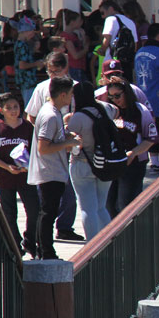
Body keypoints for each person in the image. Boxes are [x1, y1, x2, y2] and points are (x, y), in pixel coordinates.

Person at [27, 76, 81, 259]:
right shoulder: (50, 115)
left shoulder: (53, 112)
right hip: (49, 171)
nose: (72, 98)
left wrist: (66, 137)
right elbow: (43, 147)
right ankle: (46, 251)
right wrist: (69, 142)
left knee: (48, 211)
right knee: (48, 213)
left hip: (54, 171)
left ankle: (43, 249)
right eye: (71, 94)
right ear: (63, 94)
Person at [66, 81, 118, 239]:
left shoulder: (78, 117)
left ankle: (92, 245)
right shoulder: (105, 110)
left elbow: (67, 141)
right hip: (104, 164)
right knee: (101, 207)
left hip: (82, 164)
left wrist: (65, 121)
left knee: (88, 208)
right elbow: (116, 111)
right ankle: (107, 242)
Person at [103, 76, 158, 217]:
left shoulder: (140, 111)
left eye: (117, 96)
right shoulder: (109, 110)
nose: (115, 100)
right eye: (111, 97)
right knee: (109, 204)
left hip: (134, 163)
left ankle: (131, 237)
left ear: (126, 92)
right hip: (113, 162)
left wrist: (133, 153)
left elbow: (151, 138)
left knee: (125, 204)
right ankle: (114, 237)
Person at [0, 92, 39, 257]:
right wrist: (6, 166)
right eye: (9, 108)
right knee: (9, 214)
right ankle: (15, 246)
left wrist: (28, 166)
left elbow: (36, 151)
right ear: (1, 110)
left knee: (34, 210)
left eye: (16, 107)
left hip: (25, 176)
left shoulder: (28, 127)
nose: (14, 111)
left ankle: (30, 240)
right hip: (4, 177)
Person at [98, 0, 139, 78]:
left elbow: (107, 39)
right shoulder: (130, 22)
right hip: (126, 63)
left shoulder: (110, 19)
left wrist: (102, 50)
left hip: (112, 63)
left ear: (111, 9)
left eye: (102, 13)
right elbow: (135, 44)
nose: (102, 16)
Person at [13, 16, 43, 104]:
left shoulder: (20, 44)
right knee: (29, 105)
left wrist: (33, 50)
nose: (33, 34)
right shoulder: (22, 45)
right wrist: (36, 63)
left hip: (24, 81)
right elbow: (22, 65)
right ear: (25, 31)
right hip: (27, 81)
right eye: (32, 31)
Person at [54, 8, 89, 81]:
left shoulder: (75, 35)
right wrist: (86, 49)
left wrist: (83, 37)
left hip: (80, 66)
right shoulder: (66, 37)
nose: (81, 23)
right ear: (72, 22)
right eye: (79, 21)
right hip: (73, 68)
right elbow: (75, 55)